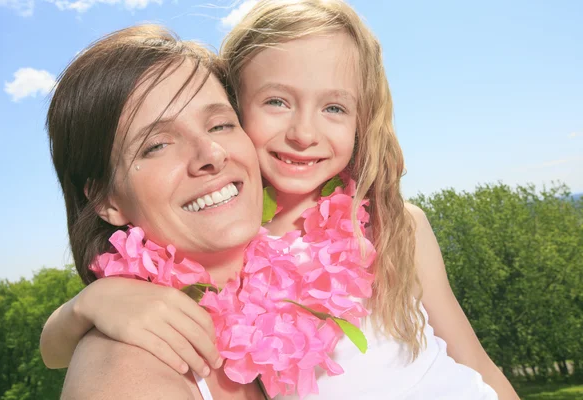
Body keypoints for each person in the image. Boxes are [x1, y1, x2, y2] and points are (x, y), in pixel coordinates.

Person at [43, 1, 520, 398]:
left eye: (334, 108)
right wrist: (87, 304)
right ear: (242, 102)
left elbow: (479, 366)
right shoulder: (225, 254)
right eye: (276, 102)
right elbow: (62, 353)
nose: (303, 133)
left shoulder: (393, 224)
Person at [46, 24, 266, 399]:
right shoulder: (123, 374)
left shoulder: (306, 261)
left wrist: (77, 310)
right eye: (157, 145)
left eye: (221, 124)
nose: (211, 154)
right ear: (105, 200)